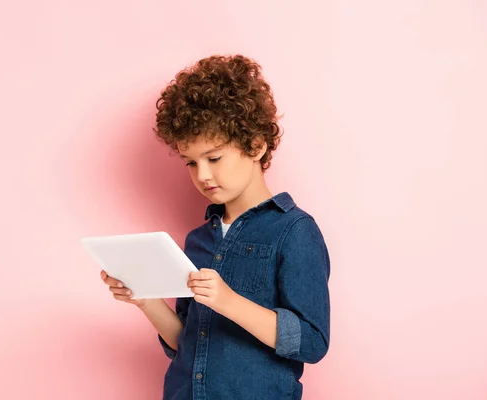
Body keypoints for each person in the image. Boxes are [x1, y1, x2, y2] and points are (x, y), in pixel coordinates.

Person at [100, 54, 331, 399]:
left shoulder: (294, 230)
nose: (202, 175)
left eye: (214, 158)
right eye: (191, 163)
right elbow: (186, 343)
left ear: (255, 145)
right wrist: (145, 300)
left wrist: (228, 302)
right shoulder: (198, 241)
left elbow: (312, 343)